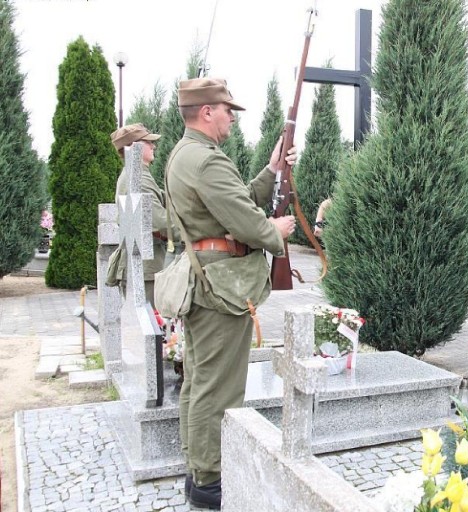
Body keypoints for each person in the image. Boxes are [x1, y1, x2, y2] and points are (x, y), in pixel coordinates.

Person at [166, 78, 298, 509]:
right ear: (206, 111)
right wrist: (274, 232)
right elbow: (246, 220)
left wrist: (272, 168)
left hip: (205, 283)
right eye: (227, 110)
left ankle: (196, 470)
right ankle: (212, 479)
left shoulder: (186, 155)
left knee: (199, 382)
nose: (231, 118)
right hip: (220, 289)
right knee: (219, 389)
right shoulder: (207, 161)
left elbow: (236, 200)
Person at [108, 123, 173, 306]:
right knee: (154, 329)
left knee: (154, 328)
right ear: (134, 147)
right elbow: (161, 222)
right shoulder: (136, 177)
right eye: (148, 142)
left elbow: (162, 199)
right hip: (144, 267)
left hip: (144, 264)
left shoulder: (136, 173)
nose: (154, 146)